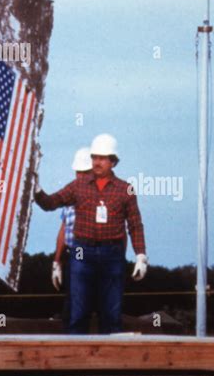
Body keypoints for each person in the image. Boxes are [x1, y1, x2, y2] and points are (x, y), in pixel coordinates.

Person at [35, 133, 147, 335]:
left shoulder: (125, 190)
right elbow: (51, 203)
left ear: (113, 161)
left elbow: (135, 224)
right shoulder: (78, 186)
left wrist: (141, 256)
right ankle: (75, 363)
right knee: (78, 313)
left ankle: (107, 363)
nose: (97, 162)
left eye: (102, 158)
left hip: (112, 254)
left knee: (111, 315)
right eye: (94, 157)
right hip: (81, 252)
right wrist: (36, 190)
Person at [51, 148, 92, 331]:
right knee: (72, 302)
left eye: (85, 172)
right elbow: (63, 229)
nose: (81, 176)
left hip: (93, 254)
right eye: (79, 172)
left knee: (87, 302)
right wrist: (56, 262)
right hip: (72, 254)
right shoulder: (70, 195)